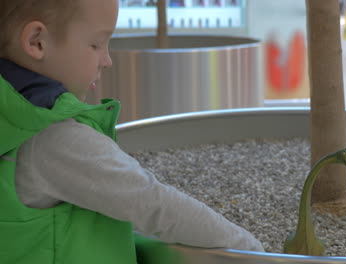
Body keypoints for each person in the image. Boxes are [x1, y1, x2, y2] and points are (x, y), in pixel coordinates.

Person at [0, 0, 264, 263]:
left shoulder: (10, 120)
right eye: (96, 44)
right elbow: (154, 204)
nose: (107, 60)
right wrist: (251, 250)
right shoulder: (56, 139)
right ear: (37, 41)